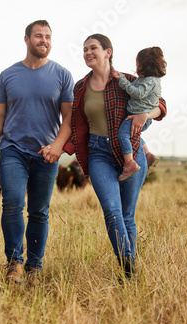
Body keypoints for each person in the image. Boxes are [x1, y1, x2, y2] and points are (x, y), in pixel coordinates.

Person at [63, 34, 167, 280]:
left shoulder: (128, 81)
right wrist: (60, 147)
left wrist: (145, 115)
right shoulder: (80, 87)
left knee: (127, 214)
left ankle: (129, 276)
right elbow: (72, 123)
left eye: (93, 48)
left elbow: (161, 104)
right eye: (85, 48)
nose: (88, 52)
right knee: (112, 211)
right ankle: (128, 266)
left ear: (107, 52)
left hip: (130, 151)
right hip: (98, 152)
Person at [0, 20, 74, 286]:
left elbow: (69, 118)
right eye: (38, 36)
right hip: (13, 150)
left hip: (47, 153)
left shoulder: (62, 74)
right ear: (26, 39)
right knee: (12, 203)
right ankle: (13, 263)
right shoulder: (8, 75)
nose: (43, 40)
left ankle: (34, 267)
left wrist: (57, 146)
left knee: (39, 212)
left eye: (47, 37)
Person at [113, 46, 167, 181]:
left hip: (138, 116)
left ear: (144, 65)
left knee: (123, 135)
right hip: (138, 115)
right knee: (133, 135)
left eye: (137, 64)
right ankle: (148, 154)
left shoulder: (149, 81)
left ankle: (129, 163)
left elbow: (137, 93)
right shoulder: (147, 80)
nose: (136, 67)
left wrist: (122, 80)